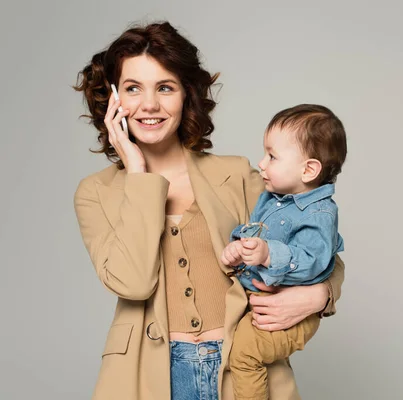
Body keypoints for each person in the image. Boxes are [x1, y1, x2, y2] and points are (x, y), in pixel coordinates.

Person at [73, 21, 345, 400]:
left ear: (186, 95)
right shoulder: (96, 193)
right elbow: (133, 283)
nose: (149, 105)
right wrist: (137, 173)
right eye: (134, 88)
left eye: (165, 87)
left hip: (242, 366)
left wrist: (321, 296)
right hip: (149, 375)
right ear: (113, 98)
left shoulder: (236, 175)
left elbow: (317, 243)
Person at [221, 104, 347, 399]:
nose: (262, 164)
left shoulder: (319, 214)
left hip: (292, 312)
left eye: (272, 156)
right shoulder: (275, 197)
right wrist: (239, 245)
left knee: (244, 355)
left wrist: (267, 255)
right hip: (261, 299)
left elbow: (314, 261)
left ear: (309, 169)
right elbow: (256, 230)